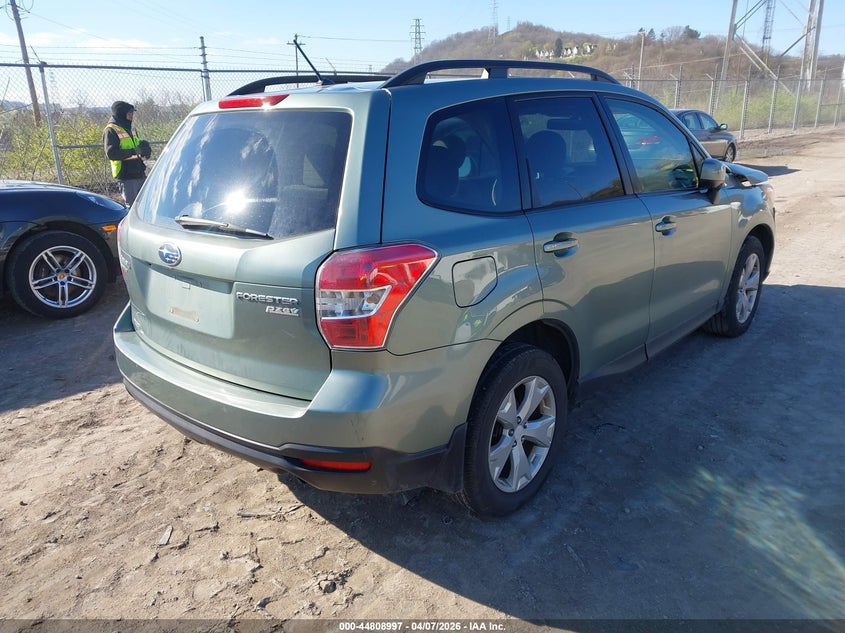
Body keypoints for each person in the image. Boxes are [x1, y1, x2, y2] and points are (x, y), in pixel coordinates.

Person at [103, 101, 151, 206]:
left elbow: (136, 147)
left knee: (145, 205)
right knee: (132, 207)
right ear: (121, 113)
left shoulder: (131, 128)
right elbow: (112, 153)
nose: (132, 116)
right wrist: (134, 151)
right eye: (129, 113)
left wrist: (144, 150)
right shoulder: (111, 130)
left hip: (139, 172)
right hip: (126, 175)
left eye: (132, 113)